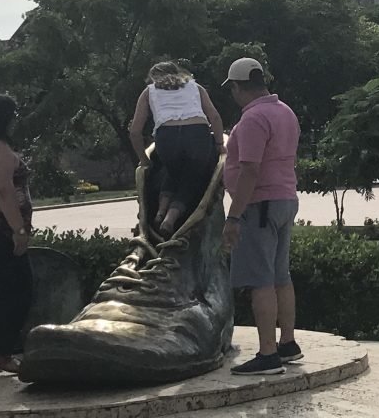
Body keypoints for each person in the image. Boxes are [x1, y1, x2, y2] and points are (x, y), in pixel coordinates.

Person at [220, 57, 301, 376]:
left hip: (260, 205)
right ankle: (287, 344)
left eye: (233, 90)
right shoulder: (285, 111)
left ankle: (267, 354)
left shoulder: (253, 118)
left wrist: (234, 217)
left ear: (238, 87)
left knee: (260, 281)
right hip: (284, 199)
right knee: (281, 275)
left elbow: (250, 170)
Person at [129, 62, 225, 237]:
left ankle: (160, 211)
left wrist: (143, 159)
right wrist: (219, 144)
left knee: (172, 172)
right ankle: (170, 219)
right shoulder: (196, 87)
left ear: (153, 78)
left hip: (166, 136)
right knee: (193, 177)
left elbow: (135, 131)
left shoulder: (149, 91)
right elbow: (215, 117)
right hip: (197, 133)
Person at [0, 94, 33, 375]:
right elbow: (3, 191)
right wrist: (18, 231)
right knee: (18, 291)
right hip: (0, 233)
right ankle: (0, 355)